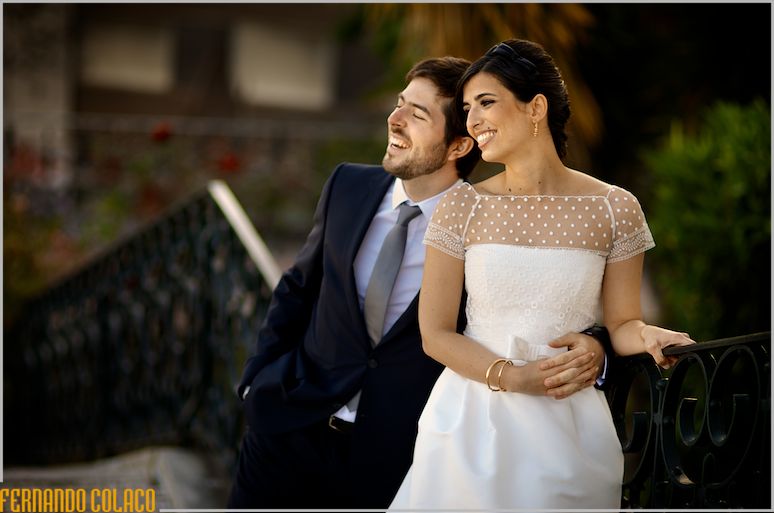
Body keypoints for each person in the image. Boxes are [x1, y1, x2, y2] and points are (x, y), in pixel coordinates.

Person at [227, 56, 612, 510]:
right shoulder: (347, 186)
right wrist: (257, 381)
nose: (395, 119)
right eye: (399, 104)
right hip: (288, 431)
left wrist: (598, 348)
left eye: (418, 114)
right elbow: (298, 287)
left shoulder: (487, 222)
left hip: (393, 459)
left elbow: (540, 302)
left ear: (457, 147)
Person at [389, 39, 696, 511]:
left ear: (536, 107)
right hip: (470, 424)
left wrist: (649, 335)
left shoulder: (615, 208)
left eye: (486, 102)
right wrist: (513, 378)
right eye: (468, 108)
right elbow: (435, 333)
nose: (472, 121)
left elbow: (622, 324)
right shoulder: (462, 206)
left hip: (569, 423)